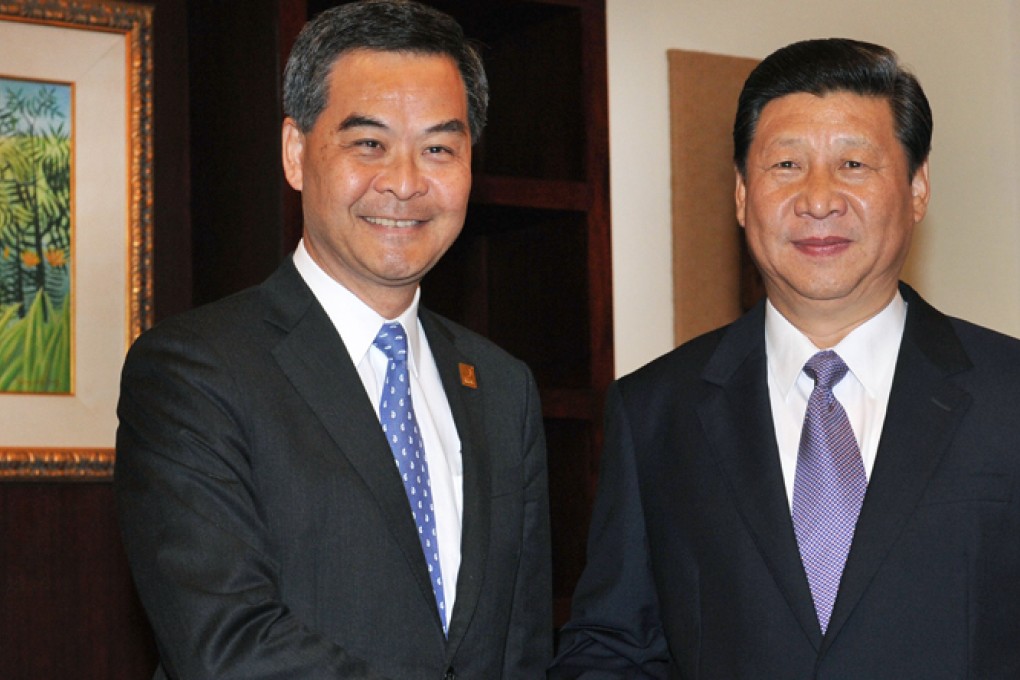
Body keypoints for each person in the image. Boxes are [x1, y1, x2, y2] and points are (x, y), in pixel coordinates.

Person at [549, 37, 1020, 679]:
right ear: (743, 195)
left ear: (917, 188)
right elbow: (612, 648)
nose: (818, 199)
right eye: (786, 166)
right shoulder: (656, 410)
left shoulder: (1009, 395)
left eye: (854, 164)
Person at [114, 1, 552, 678]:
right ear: (296, 152)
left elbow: (520, 645)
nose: (405, 183)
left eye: (438, 148)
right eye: (369, 144)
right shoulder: (194, 371)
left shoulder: (501, 384)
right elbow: (227, 647)